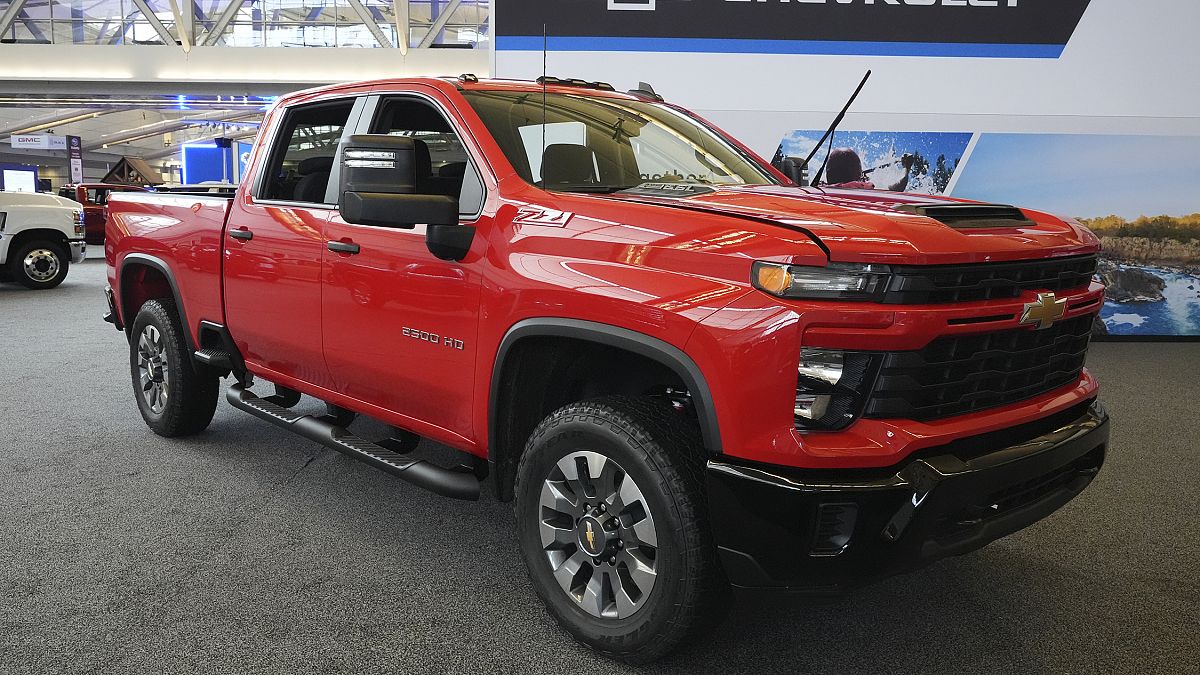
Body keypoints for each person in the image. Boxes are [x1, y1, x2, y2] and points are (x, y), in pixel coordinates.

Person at [822, 147, 914, 192]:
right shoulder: (859, 189)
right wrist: (906, 167)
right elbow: (897, 188)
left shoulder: (821, 189)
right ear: (856, 172)